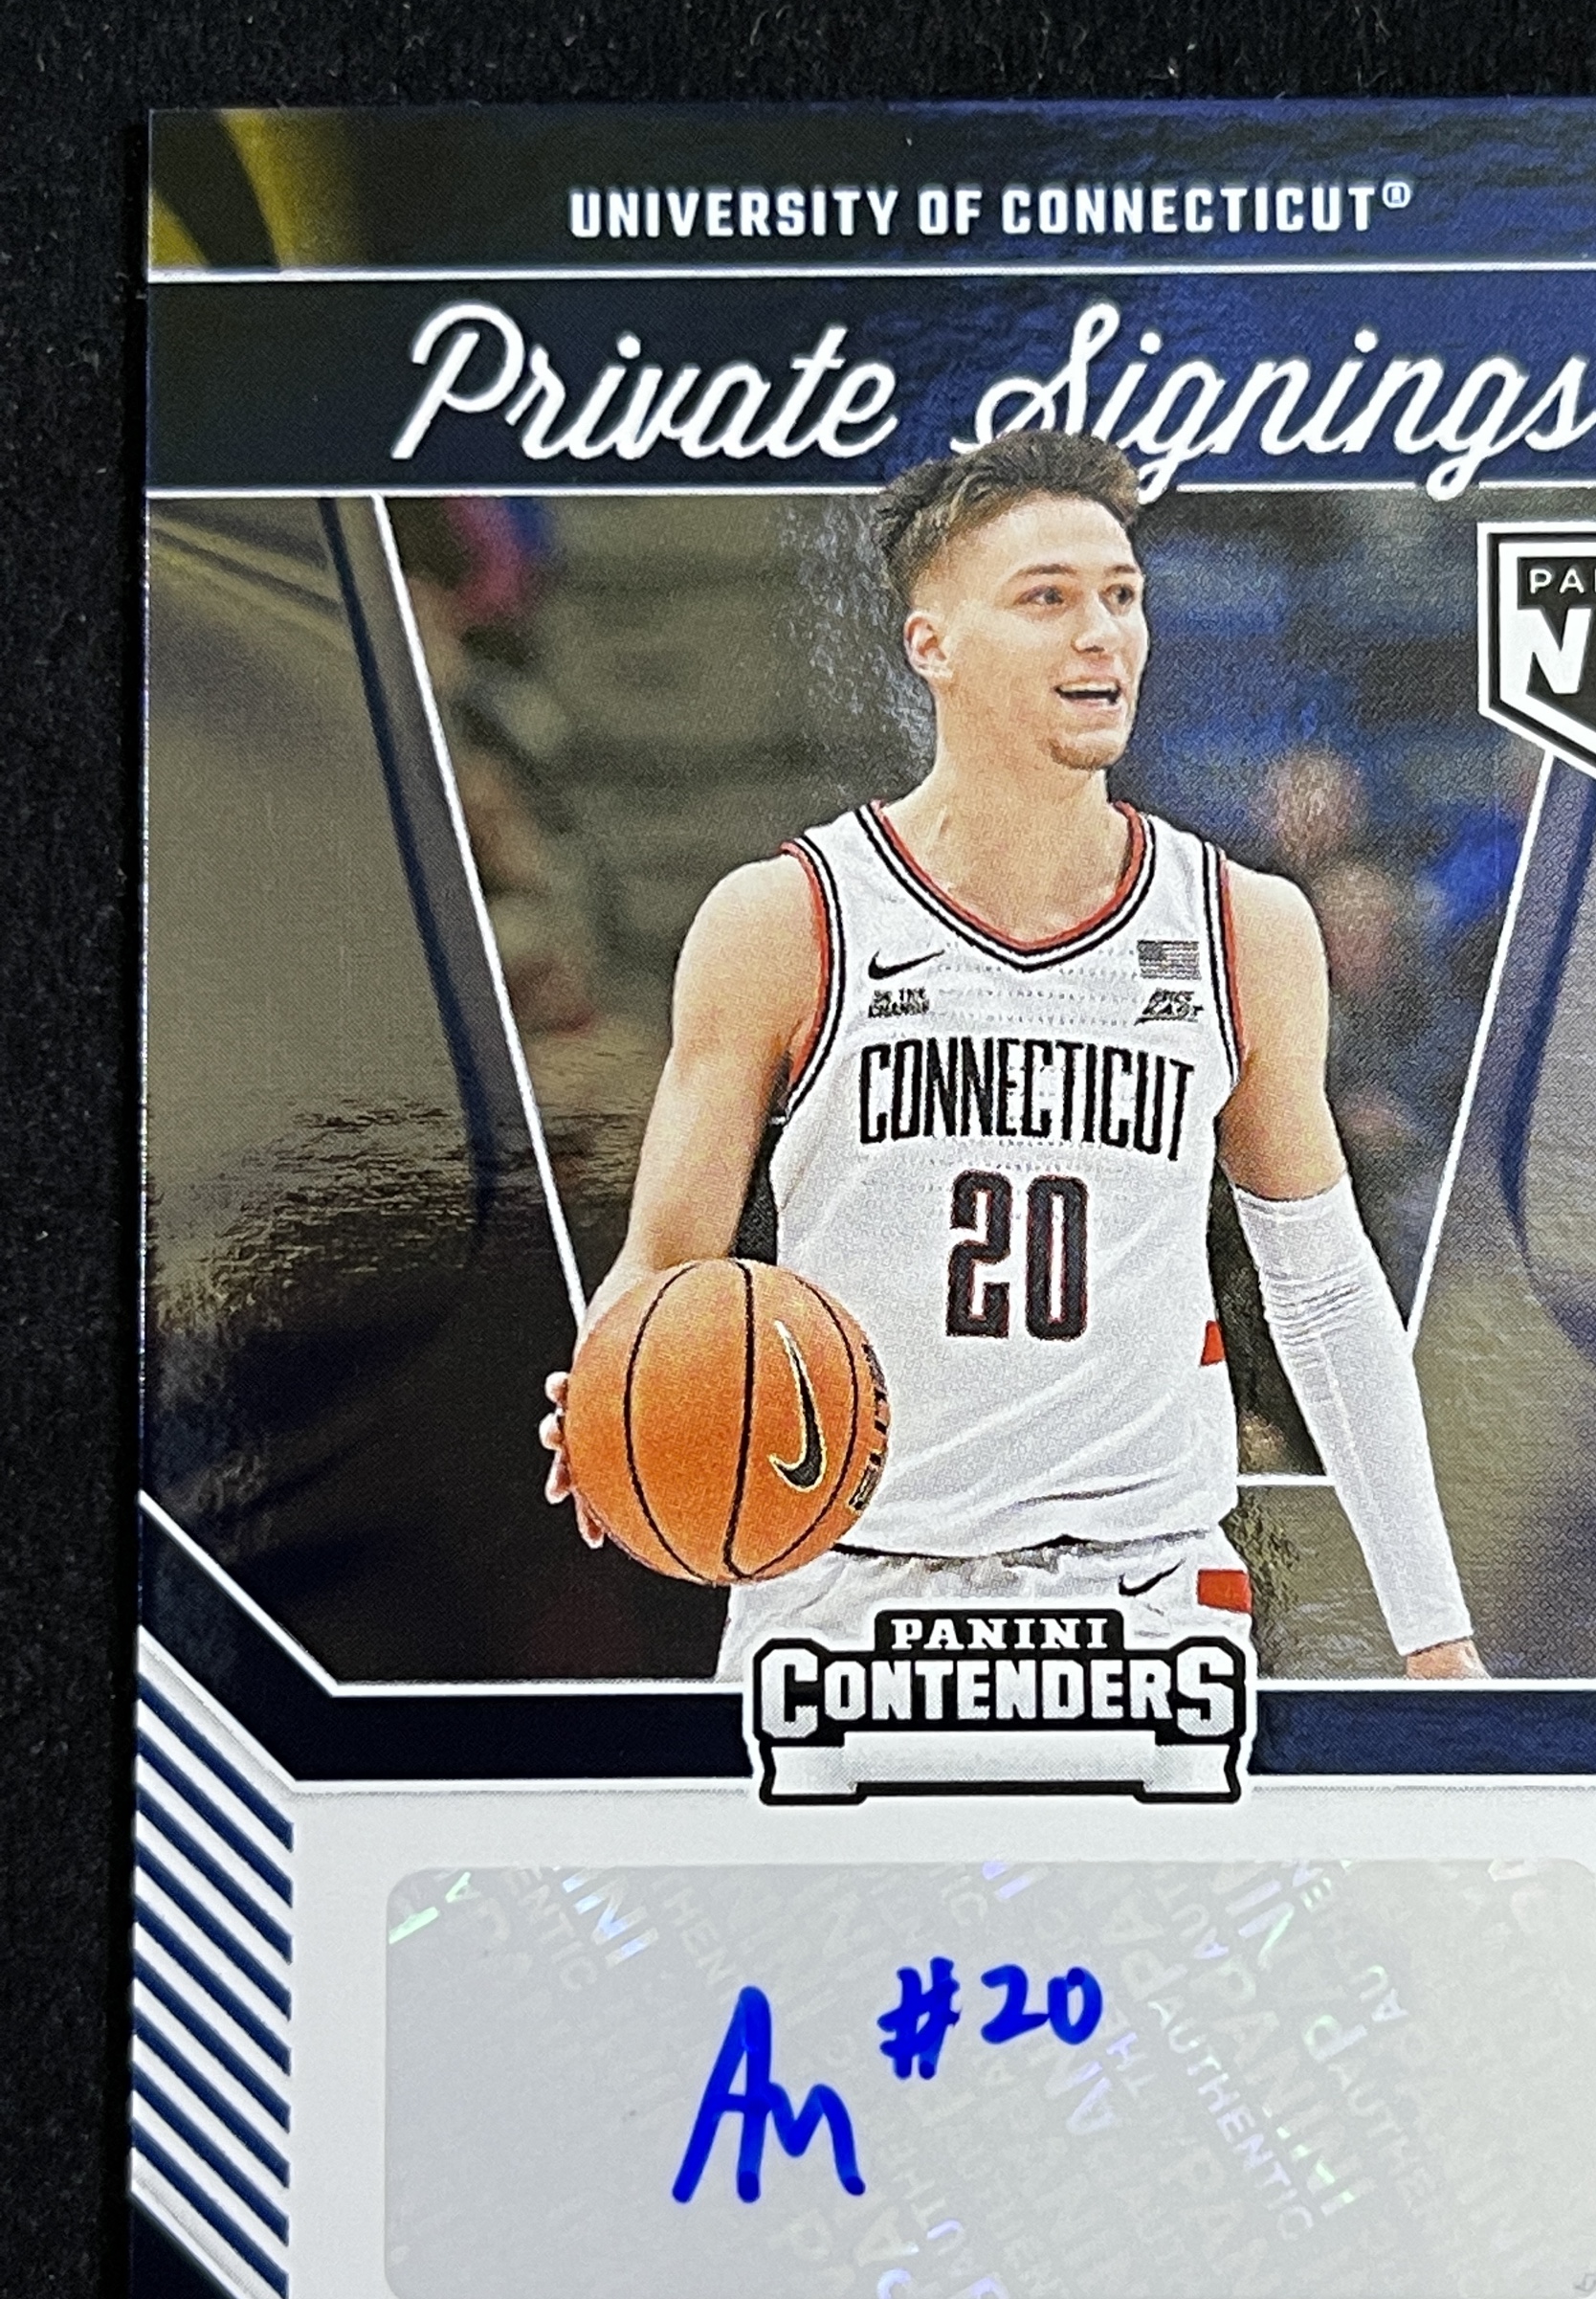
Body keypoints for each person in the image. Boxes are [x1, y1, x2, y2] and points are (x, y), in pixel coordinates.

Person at [541, 430, 1485, 1682]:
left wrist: (1435, 1635)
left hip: (1140, 1597)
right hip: (840, 1586)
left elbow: (1321, 1287)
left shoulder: (1243, 926)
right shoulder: (784, 920)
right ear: (931, 645)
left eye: (1122, 597)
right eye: (1047, 599)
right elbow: (668, 1260)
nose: (1102, 634)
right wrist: (616, 1383)